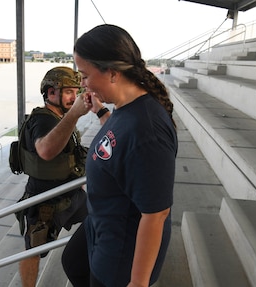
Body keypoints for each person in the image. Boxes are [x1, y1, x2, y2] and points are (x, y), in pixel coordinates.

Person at [61, 24, 178, 287]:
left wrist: (137, 283)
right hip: (102, 222)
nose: (82, 84)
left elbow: (156, 214)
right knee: (72, 261)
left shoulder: (149, 132)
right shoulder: (126, 107)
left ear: (112, 73)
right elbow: (120, 140)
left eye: (85, 75)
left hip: (122, 249)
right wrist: (101, 111)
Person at [18, 66, 90, 287]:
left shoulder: (59, 117)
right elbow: (45, 150)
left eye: (75, 92)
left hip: (70, 195)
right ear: (51, 93)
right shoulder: (43, 119)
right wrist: (75, 114)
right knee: (33, 251)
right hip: (45, 203)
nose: (73, 97)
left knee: (101, 220)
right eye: (68, 92)